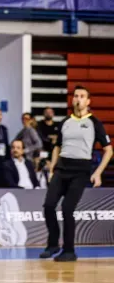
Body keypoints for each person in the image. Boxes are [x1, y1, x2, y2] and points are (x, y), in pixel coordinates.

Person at [41, 86, 112, 262]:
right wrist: (52, 169)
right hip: (61, 168)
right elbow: (57, 146)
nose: (78, 99)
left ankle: (69, 251)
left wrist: (98, 173)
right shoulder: (65, 121)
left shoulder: (95, 123)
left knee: (67, 208)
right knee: (49, 206)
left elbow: (109, 150)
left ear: (88, 102)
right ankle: (53, 244)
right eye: (76, 96)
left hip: (80, 171)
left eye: (82, 96)